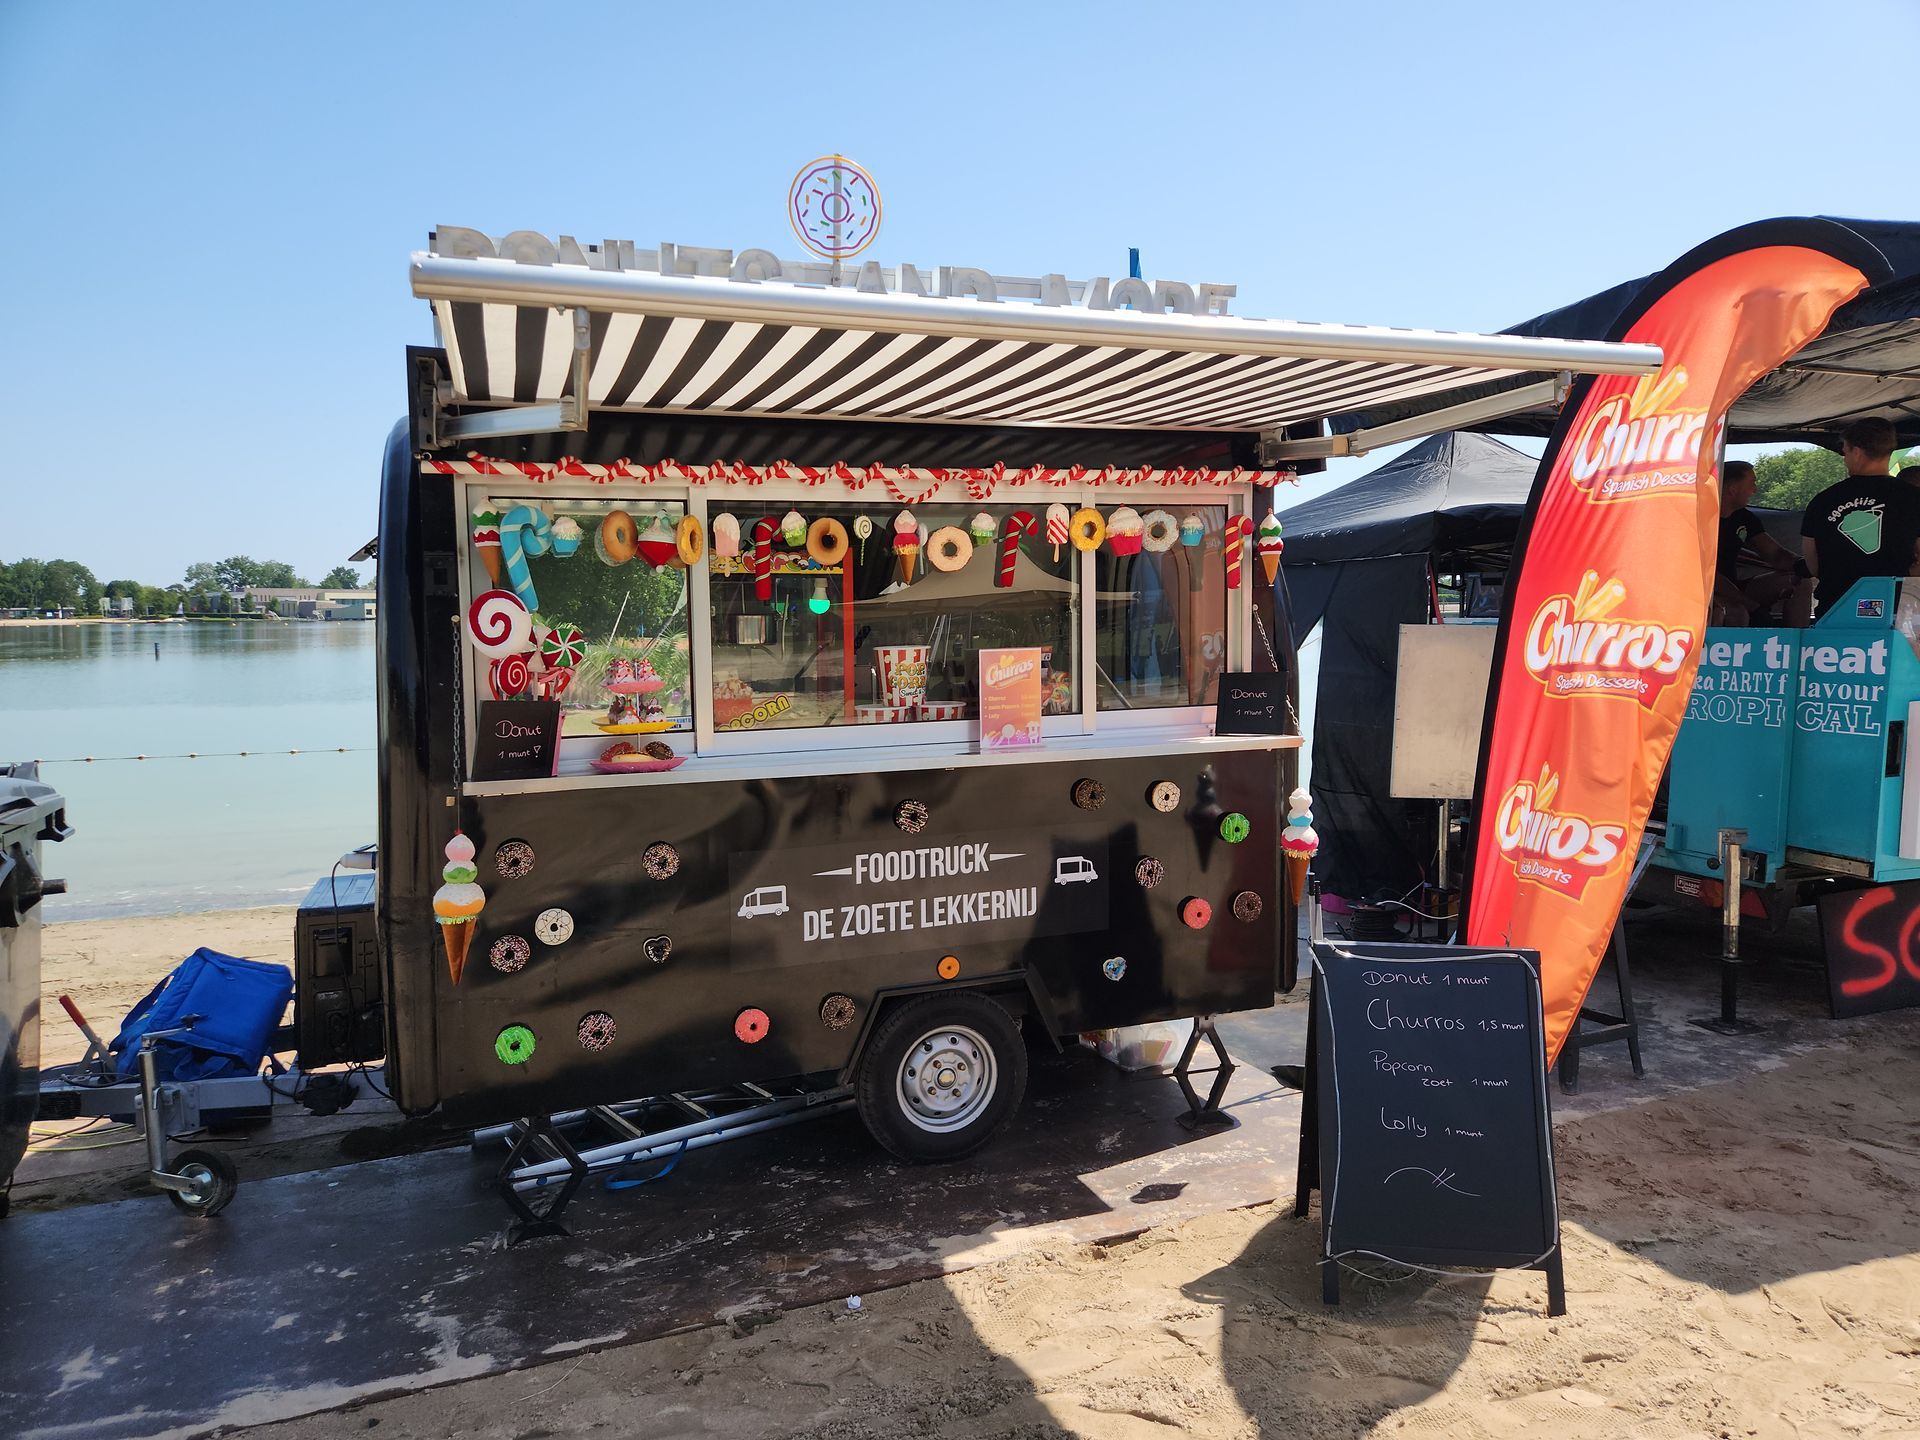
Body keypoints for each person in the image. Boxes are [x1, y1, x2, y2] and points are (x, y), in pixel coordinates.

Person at [1800, 417, 1912, 619]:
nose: (1844, 458)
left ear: (1857, 452)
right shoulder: (1913, 498)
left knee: (1839, 650)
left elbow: (1812, 561)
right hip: (1899, 610)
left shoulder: (1824, 501)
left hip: (1836, 606)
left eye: (1845, 452)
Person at [1712, 460, 1802, 625]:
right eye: (1752, 483)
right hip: (1703, 591)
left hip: (1736, 588)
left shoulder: (1744, 518)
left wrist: (1807, 565)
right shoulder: (1703, 518)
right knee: (1736, 613)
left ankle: (1799, 644)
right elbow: (1707, 575)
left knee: (1800, 580)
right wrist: (1750, 605)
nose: (1755, 490)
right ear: (1733, 489)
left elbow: (1775, 555)